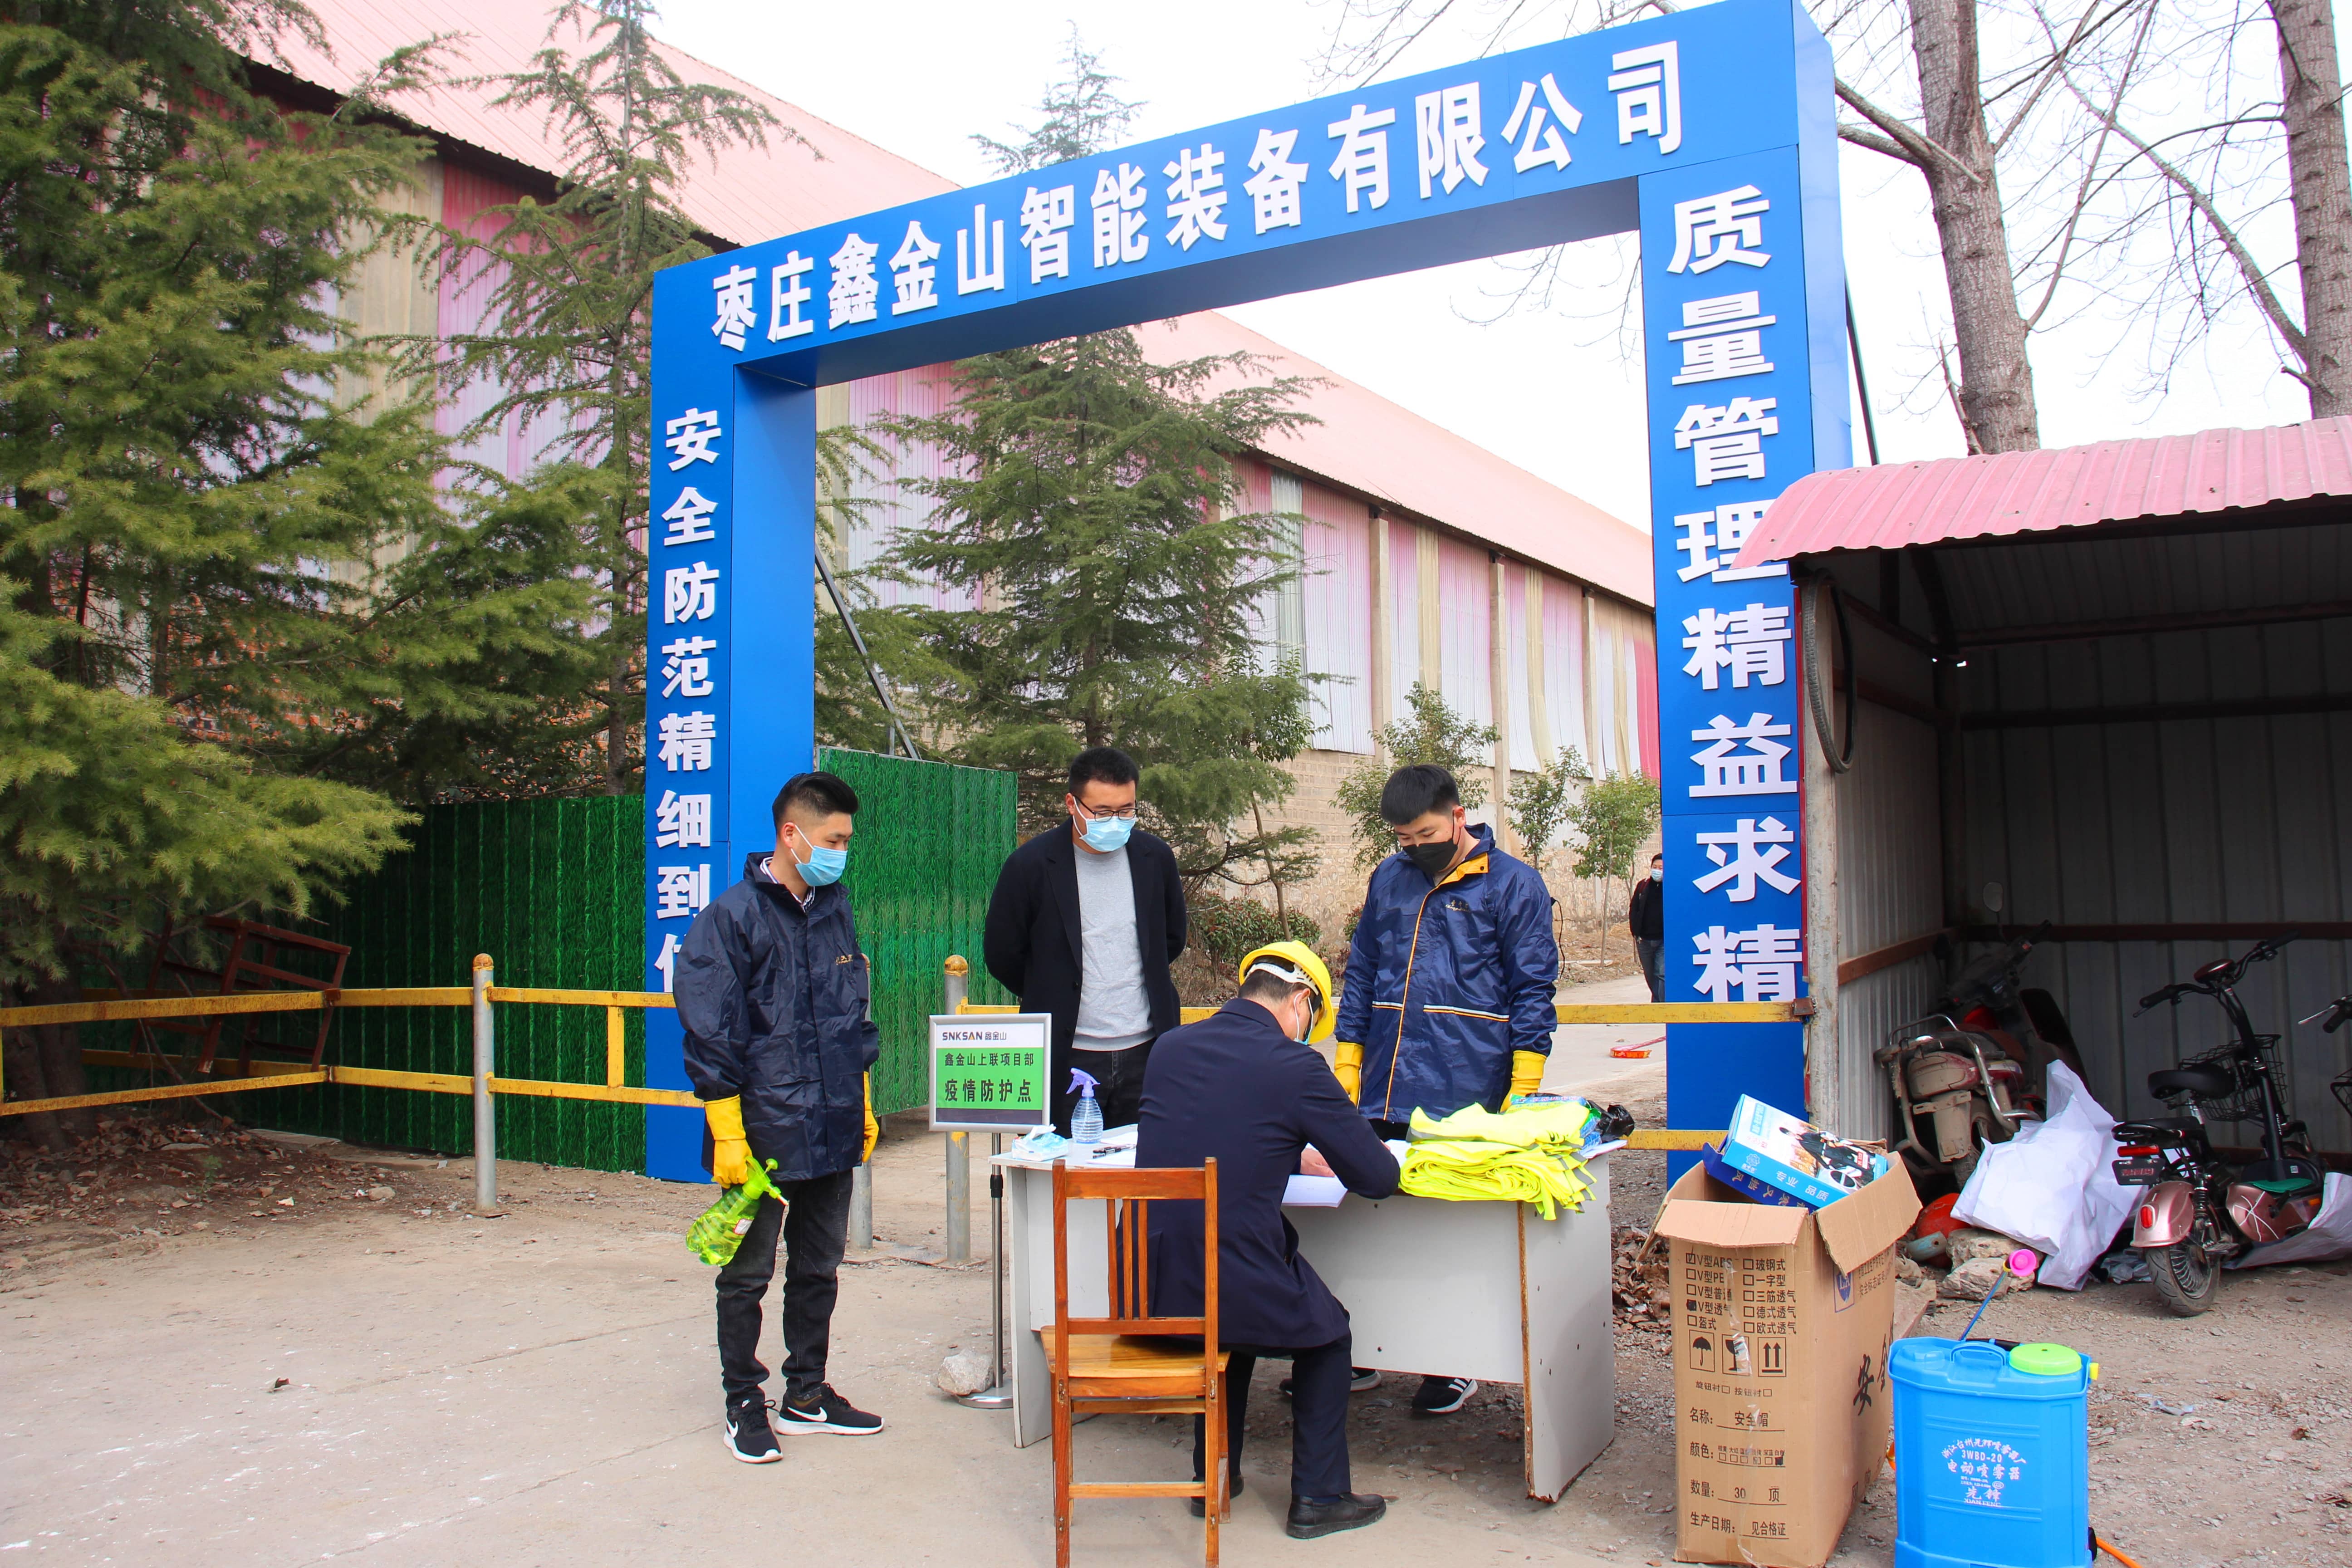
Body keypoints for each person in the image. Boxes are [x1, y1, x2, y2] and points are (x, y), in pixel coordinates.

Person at [1137, 940, 1400, 1541]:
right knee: (1329, 1334)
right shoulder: (1295, 1066)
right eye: (1311, 1021)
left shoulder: (1170, 1048)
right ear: (1301, 1000)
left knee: (1227, 1327)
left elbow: (1217, 1129)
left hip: (1156, 1281)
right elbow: (1377, 1177)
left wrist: (1286, 1150)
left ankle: (1212, 1477)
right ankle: (1320, 1497)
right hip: (1231, 1273)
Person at [1329, 764, 1560, 1417]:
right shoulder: (1390, 878)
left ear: (1459, 816)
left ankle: (1450, 1364)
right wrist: (1348, 1062)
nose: (1416, 847)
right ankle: (1361, 1350)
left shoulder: (1512, 885)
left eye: (1426, 834)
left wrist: (1524, 1084)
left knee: (1451, 1232)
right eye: (1404, 838)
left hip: (1468, 1083)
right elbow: (1363, 970)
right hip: (1384, 1083)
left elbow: (1532, 987)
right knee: (1368, 1222)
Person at [676, 771, 886, 1464]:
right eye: (834, 840)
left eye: (847, 841)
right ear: (791, 835)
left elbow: (852, 1013)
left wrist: (861, 1100)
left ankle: (807, 1393)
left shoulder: (834, 910)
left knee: (819, 1266)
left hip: (831, 1119)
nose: (842, 852)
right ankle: (744, 1399)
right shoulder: (731, 918)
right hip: (761, 1130)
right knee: (747, 1275)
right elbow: (711, 1029)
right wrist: (728, 1132)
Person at [983, 746, 1186, 1134]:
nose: (1116, 822)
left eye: (1127, 811)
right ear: (1072, 804)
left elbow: (1172, 938)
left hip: (1148, 1052)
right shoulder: (1031, 865)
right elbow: (1002, 953)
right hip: (1066, 1054)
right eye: (1103, 812)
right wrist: (1052, 989)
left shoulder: (1155, 859)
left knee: (1146, 1164)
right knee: (1064, 1166)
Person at [1629, 850, 1666, 1002]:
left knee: (1661, 973)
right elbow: (1634, 909)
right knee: (1650, 975)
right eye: (1655, 867)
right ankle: (1657, 1001)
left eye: (1661, 868)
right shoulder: (1643, 886)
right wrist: (1635, 932)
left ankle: (1661, 1004)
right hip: (1644, 940)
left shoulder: (1670, 888)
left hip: (1663, 940)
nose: (1657, 871)